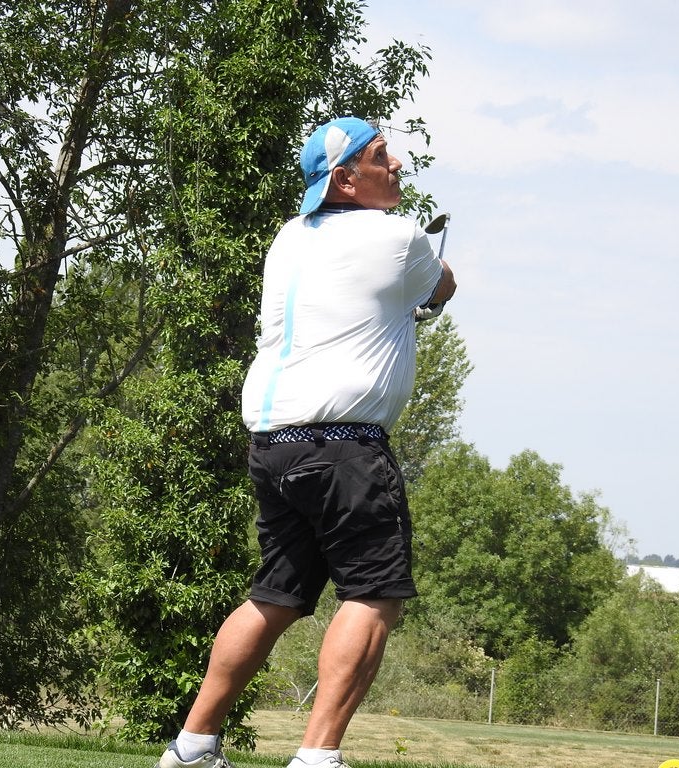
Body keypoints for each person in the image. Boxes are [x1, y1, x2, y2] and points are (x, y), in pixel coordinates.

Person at [155, 116, 457, 768]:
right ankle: (317, 757)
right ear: (345, 179)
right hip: (344, 446)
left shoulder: (289, 236)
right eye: (381, 156)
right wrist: (427, 285)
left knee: (276, 595)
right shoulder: (399, 236)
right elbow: (442, 286)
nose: (398, 165)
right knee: (373, 594)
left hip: (274, 445)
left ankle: (193, 746)